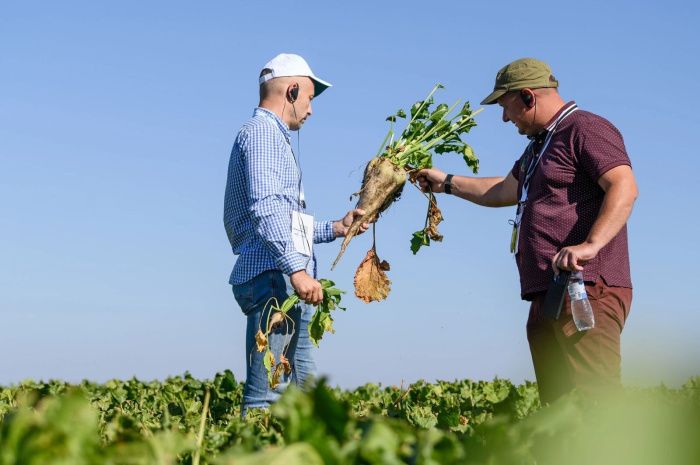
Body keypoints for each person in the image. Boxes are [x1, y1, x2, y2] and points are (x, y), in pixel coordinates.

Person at [417, 58, 638, 403]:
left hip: (585, 287)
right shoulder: (539, 146)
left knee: (597, 404)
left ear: (527, 97)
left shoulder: (585, 129)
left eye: (506, 108)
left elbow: (623, 186)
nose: (506, 118)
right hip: (547, 292)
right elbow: (504, 190)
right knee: (560, 411)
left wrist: (590, 245)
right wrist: (445, 183)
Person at [224, 53, 368, 413]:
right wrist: (297, 270)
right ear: (291, 90)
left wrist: (335, 228)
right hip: (274, 280)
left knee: (303, 397)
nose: (311, 109)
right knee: (268, 398)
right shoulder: (261, 133)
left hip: (282, 278)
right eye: (309, 98)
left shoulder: (272, 136)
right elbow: (266, 207)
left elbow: (285, 219)